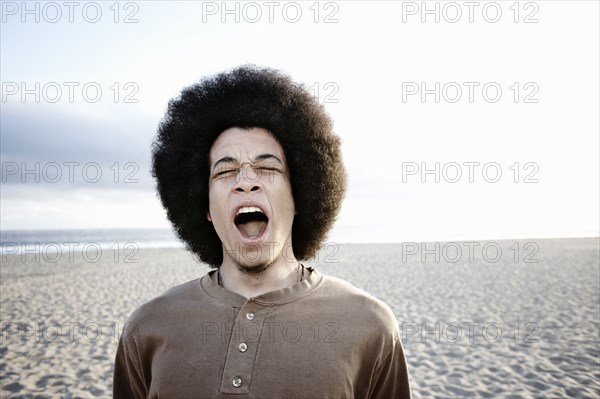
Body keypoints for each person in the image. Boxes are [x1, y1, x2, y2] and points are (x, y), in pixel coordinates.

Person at [113, 65, 411, 398]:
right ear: (206, 208)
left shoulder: (371, 326)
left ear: (300, 194)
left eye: (267, 167)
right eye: (225, 172)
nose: (246, 181)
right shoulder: (146, 328)